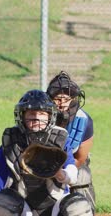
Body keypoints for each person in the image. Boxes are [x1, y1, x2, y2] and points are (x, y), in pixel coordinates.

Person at [0, 89, 93, 216]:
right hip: (22, 206)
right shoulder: (10, 143)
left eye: (42, 113)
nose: (36, 118)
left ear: (50, 116)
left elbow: (73, 173)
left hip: (56, 205)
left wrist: (61, 174)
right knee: (4, 203)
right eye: (31, 113)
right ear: (22, 116)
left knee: (78, 208)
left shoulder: (60, 139)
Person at [46, 71, 95, 209]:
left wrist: (65, 176)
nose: (61, 103)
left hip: (72, 163)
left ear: (73, 99)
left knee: (82, 176)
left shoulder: (83, 120)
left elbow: (80, 158)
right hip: (42, 163)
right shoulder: (41, 116)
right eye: (57, 98)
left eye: (66, 99)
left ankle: (84, 210)